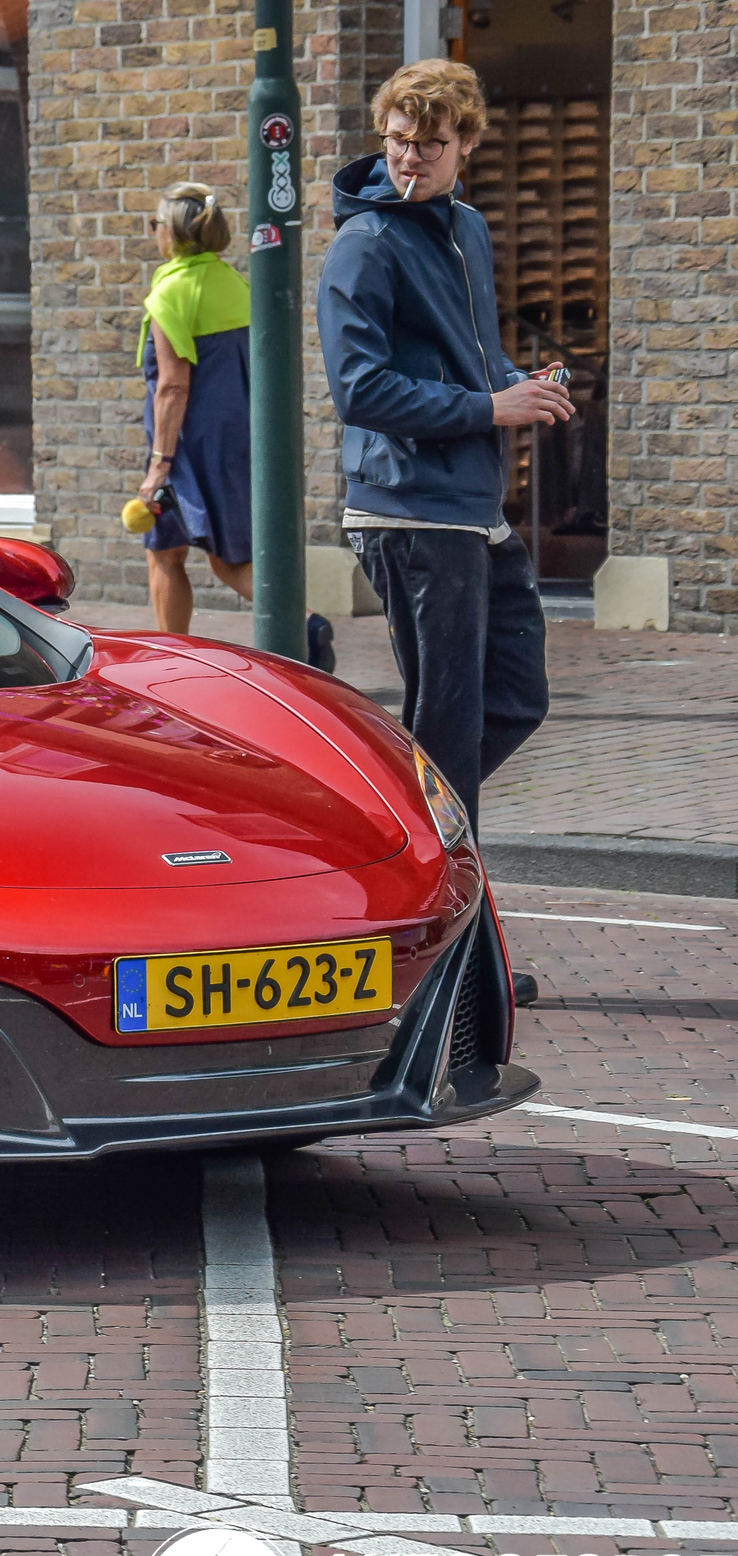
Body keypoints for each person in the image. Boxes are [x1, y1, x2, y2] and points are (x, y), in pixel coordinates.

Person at [320, 58, 571, 1003]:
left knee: (513, 696)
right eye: (395, 138)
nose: (406, 157)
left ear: (466, 146)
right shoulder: (365, 245)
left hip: (471, 508)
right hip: (407, 508)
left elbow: (473, 355)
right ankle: (452, 965)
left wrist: (520, 386)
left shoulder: (465, 228)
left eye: (428, 142)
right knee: (452, 732)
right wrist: (486, 404)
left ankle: (386, 804)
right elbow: (360, 391)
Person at [135, 183, 256, 636]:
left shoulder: (171, 293)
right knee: (168, 550)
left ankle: (306, 626)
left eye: (156, 224)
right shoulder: (235, 283)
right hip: (234, 440)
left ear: (175, 233)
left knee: (222, 563)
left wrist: (159, 465)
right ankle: (172, 654)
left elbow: (172, 387)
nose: (153, 233)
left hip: (188, 447)